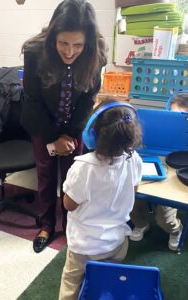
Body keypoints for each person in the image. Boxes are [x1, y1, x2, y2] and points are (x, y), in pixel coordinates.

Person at [21, 0, 108, 253]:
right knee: (46, 177)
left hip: (73, 129)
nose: (70, 52)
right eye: (63, 43)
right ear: (53, 38)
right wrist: (53, 138)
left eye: (77, 45)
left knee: (73, 178)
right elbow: (33, 100)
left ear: (87, 43)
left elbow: (88, 99)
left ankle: (71, 224)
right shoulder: (35, 51)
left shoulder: (96, 54)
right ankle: (46, 224)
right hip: (42, 125)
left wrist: (69, 135)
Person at [58, 100, 143, 300]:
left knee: (71, 281)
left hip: (84, 245)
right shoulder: (135, 160)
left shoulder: (83, 167)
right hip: (116, 242)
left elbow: (69, 205)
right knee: (108, 279)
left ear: (92, 133)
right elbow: (134, 189)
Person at [130, 91, 188, 250]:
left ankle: (175, 230)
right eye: (175, 116)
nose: (179, 122)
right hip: (155, 162)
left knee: (164, 218)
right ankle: (141, 224)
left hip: (179, 170)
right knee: (132, 197)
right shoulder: (158, 125)